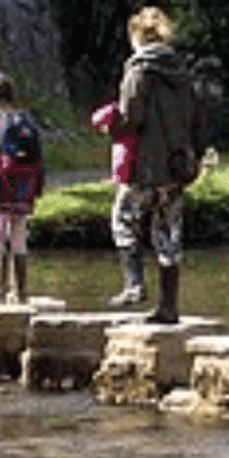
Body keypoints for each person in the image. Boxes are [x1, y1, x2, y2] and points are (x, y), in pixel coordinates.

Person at [114, 5, 209, 325]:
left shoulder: (138, 70)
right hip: (177, 164)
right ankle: (168, 307)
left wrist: (110, 124)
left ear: (136, 35)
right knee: (169, 231)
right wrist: (195, 156)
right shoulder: (183, 73)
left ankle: (134, 285)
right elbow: (199, 121)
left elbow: (132, 116)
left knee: (123, 219)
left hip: (145, 163)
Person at [0, 71, 45, 308]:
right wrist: (38, 186)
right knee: (18, 236)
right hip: (25, 185)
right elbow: (40, 156)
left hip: (0, 185)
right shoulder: (26, 118)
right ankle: (22, 292)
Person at [90, 97, 144, 307]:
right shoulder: (129, 135)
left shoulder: (124, 138)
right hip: (136, 182)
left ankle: (134, 285)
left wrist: (121, 182)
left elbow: (125, 167)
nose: (102, 131)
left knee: (120, 225)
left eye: (104, 127)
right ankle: (135, 285)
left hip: (132, 186)